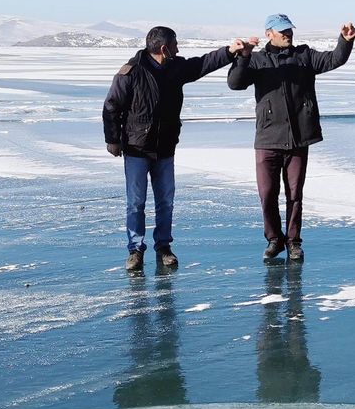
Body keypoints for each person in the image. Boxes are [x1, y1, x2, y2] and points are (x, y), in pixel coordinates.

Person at [103, 26, 248, 272]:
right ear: (164, 48)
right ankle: (135, 250)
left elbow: (203, 64)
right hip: (137, 149)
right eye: (175, 45)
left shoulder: (175, 69)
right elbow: (111, 107)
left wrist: (230, 51)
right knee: (136, 203)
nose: (178, 49)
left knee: (165, 201)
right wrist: (113, 139)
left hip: (165, 148)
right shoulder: (131, 72)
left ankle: (163, 247)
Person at [227, 14, 355, 261]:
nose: (288, 34)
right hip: (267, 138)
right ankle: (274, 240)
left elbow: (333, 59)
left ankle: (294, 242)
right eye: (282, 31)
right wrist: (243, 58)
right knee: (267, 194)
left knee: (295, 194)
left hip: (298, 137)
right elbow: (235, 83)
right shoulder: (256, 60)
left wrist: (345, 41)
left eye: (289, 30)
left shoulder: (304, 56)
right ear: (269, 34)